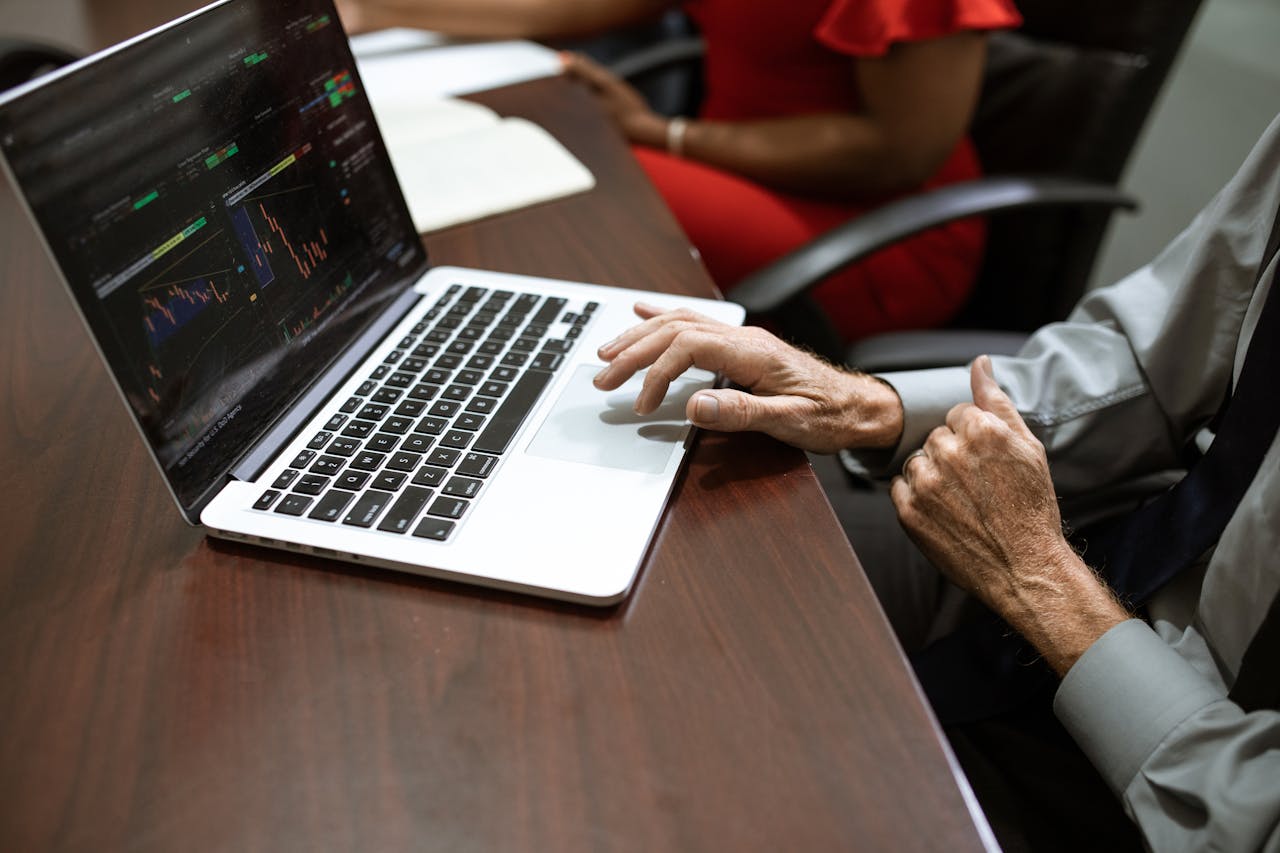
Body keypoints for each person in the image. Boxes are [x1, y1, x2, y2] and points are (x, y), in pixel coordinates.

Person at [591, 113, 1280, 851]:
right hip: (1123, 552)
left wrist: (1041, 582)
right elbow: (1151, 361)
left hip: (1163, 775)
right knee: (668, 560)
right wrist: (870, 405)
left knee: (700, 787)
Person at [335, 0, 1022, 343]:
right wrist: (371, 9)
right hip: (742, 173)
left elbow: (899, 151)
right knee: (516, 165)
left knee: (539, 181)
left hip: (877, 231)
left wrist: (666, 133)